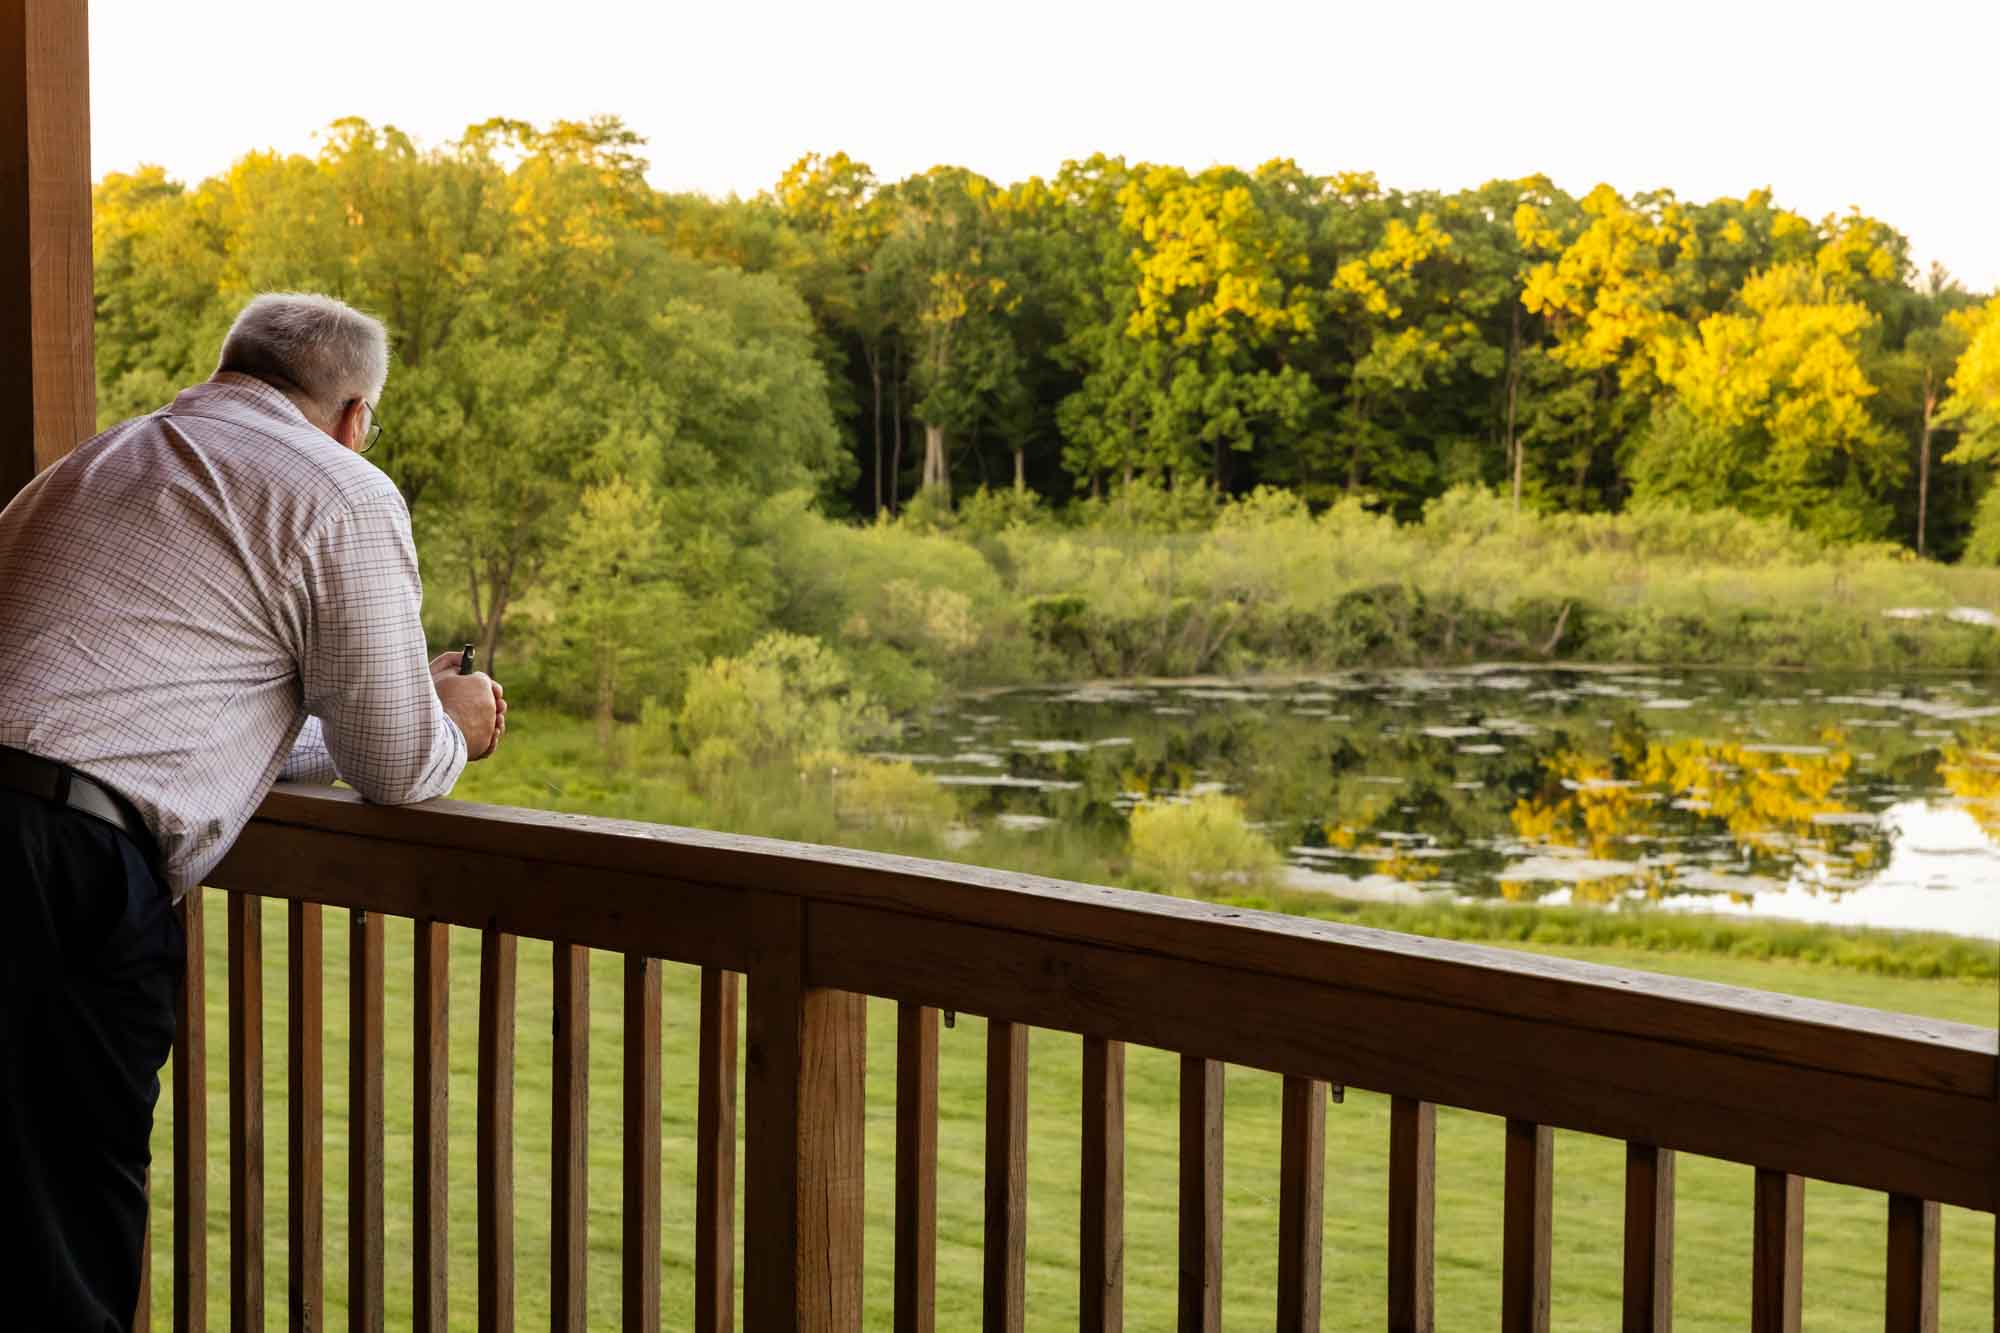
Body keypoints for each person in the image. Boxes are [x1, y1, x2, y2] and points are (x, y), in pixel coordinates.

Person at [0, 292, 504, 1329]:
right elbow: (397, 762)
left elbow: (169, 719)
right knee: (69, 1222)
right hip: (67, 866)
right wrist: (449, 717)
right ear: (356, 413)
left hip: (38, 820)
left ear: (234, 367)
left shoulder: (99, 463)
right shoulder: (341, 489)